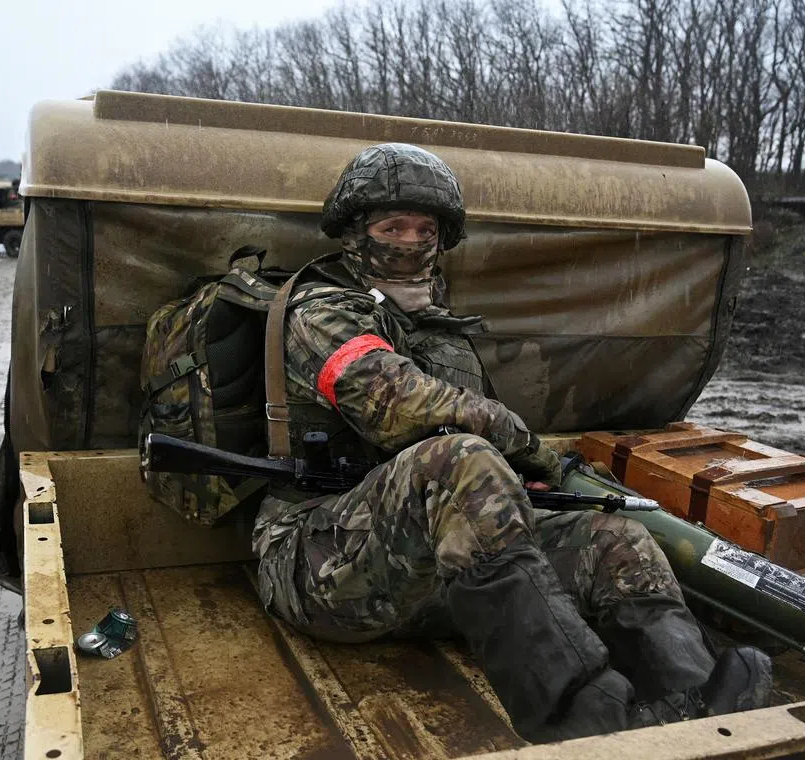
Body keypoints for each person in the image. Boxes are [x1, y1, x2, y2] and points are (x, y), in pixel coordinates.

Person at [252, 142, 772, 742]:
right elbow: (393, 404)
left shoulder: (432, 321)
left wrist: (542, 476)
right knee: (460, 461)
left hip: (426, 572)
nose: (410, 241)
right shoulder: (321, 311)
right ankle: (584, 725)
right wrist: (513, 436)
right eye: (392, 226)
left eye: (425, 229)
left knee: (610, 535)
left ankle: (700, 707)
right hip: (318, 563)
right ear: (353, 231)